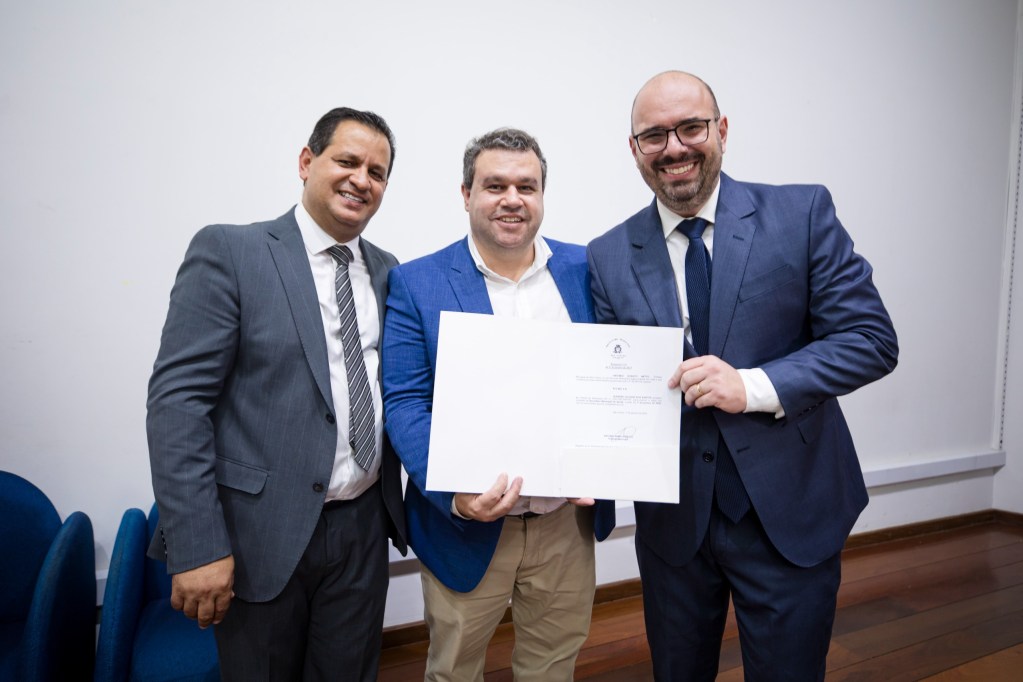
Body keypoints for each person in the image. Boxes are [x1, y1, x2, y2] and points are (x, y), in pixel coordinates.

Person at [586, 71, 899, 680]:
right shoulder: (608, 254)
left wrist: (752, 386)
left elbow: (870, 340)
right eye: (654, 135)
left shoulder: (801, 213)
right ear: (635, 148)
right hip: (674, 528)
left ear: (722, 130)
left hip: (789, 510)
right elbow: (612, 387)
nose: (674, 147)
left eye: (691, 127)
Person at [146, 107, 407, 681]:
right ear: (307, 161)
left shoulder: (390, 272)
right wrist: (198, 545)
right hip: (258, 533)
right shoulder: (232, 251)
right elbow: (178, 404)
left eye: (377, 172)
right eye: (347, 161)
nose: (361, 180)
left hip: (363, 526)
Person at [382, 128, 616, 681]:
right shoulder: (417, 282)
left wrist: (610, 462)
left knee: (552, 667)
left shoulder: (587, 269)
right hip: (467, 526)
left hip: (566, 525)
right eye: (495, 186)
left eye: (526, 187)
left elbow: (612, 379)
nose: (512, 199)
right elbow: (406, 402)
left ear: (541, 195)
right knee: (453, 671)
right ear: (466, 194)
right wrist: (454, 495)